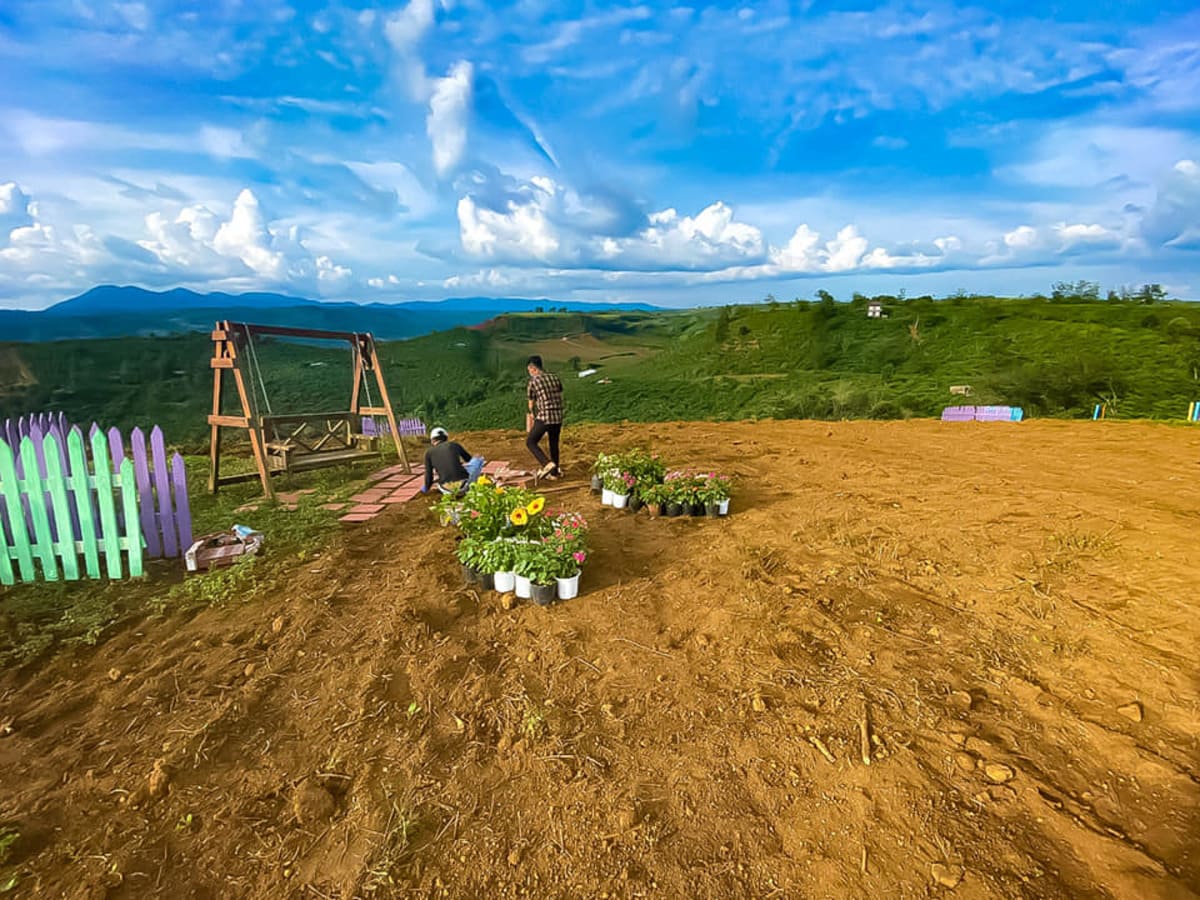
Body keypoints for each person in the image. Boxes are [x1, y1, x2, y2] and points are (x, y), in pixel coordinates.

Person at [524, 354, 564, 479]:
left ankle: (547, 464)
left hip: (545, 416)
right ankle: (555, 472)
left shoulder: (533, 382)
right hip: (558, 416)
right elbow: (560, 391)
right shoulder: (554, 378)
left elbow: (531, 404)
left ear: (533, 368)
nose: (530, 373)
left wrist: (532, 415)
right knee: (553, 443)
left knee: (531, 441)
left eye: (529, 370)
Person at [421, 427, 485, 494]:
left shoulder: (428, 453)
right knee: (478, 459)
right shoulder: (454, 445)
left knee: (440, 480)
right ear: (446, 438)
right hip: (464, 486)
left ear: (432, 440)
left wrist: (426, 488)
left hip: (446, 490)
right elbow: (468, 459)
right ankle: (474, 485)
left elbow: (429, 475)